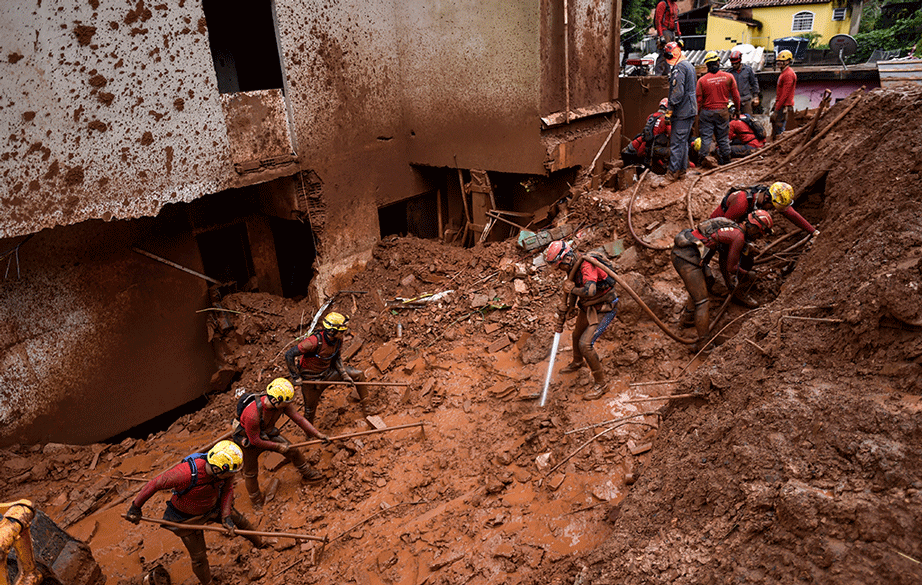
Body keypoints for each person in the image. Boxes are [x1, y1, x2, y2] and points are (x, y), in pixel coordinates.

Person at [125, 440, 262, 585]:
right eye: (230, 473)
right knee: (199, 557)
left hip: (213, 507)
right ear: (217, 469)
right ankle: (208, 583)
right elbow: (155, 483)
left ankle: (261, 544)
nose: (232, 475)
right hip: (185, 518)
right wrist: (136, 507)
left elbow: (228, 490)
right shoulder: (185, 473)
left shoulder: (225, 473)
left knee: (240, 521)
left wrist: (226, 516)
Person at [671, 211, 773, 350]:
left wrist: (729, 283)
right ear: (754, 228)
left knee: (704, 284)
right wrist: (748, 274)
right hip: (687, 259)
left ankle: (688, 319)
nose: (758, 237)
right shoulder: (738, 237)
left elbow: (724, 260)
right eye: (759, 233)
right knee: (702, 301)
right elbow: (732, 268)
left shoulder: (729, 224)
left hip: (687, 250)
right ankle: (705, 345)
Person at [233, 378, 330, 507]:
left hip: (268, 433)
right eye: (286, 403)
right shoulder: (253, 415)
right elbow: (255, 440)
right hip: (250, 442)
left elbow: (299, 419)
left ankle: (308, 474)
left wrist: (318, 434)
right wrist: (278, 446)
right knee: (250, 473)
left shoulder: (281, 403)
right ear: (274, 400)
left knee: (293, 451)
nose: (288, 406)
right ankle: (256, 500)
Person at [546, 240, 619, 401]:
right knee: (576, 335)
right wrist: (570, 307)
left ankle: (601, 384)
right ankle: (578, 362)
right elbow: (572, 284)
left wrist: (571, 289)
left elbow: (590, 290)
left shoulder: (586, 265)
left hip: (604, 308)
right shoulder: (572, 266)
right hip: (588, 307)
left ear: (566, 258)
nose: (559, 270)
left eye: (559, 266)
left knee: (585, 344)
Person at [285, 312, 371, 424]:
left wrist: (344, 375)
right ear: (332, 331)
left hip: (328, 373)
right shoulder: (313, 342)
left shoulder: (338, 339)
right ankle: (310, 435)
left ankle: (368, 408)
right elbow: (289, 354)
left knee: (358, 374)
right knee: (310, 410)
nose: (344, 333)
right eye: (342, 331)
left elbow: (336, 357)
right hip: (311, 380)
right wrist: (296, 377)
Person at [710, 181, 819, 237]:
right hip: (715, 228)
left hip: (733, 223)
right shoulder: (741, 203)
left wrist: (813, 232)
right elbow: (725, 227)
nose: (772, 209)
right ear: (767, 198)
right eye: (772, 206)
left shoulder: (766, 195)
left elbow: (792, 215)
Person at [696, 51, 741, 167]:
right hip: (722, 112)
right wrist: (738, 110)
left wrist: (697, 113)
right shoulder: (728, 77)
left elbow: (699, 100)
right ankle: (726, 160)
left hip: (707, 112)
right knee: (723, 138)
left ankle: (703, 162)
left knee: (706, 138)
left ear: (707, 65)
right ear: (718, 62)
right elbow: (736, 96)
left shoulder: (702, 81)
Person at [664, 41, 697, 183]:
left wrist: (669, 110)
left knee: (677, 143)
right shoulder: (689, 65)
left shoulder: (679, 68)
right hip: (689, 109)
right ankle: (682, 172)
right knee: (683, 142)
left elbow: (677, 92)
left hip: (682, 111)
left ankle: (671, 174)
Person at [621, 98, 671, 170]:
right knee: (675, 152)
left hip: (647, 148)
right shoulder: (665, 119)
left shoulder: (651, 116)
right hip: (652, 150)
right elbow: (671, 134)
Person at [653, 0, 681, 76]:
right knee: (664, 53)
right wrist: (661, 35)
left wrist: (679, 35)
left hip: (672, 32)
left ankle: (666, 74)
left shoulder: (674, 5)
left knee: (671, 54)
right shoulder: (663, 4)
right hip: (665, 31)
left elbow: (676, 21)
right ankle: (658, 75)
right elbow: (658, 20)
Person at [772, 49, 796, 139]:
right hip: (781, 105)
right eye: (778, 61)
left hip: (784, 107)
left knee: (780, 131)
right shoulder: (784, 73)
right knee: (777, 129)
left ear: (788, 61)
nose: (779, 63)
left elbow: (785, 94)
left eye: (782, 61)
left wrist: (777, 110)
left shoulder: (788, 74)